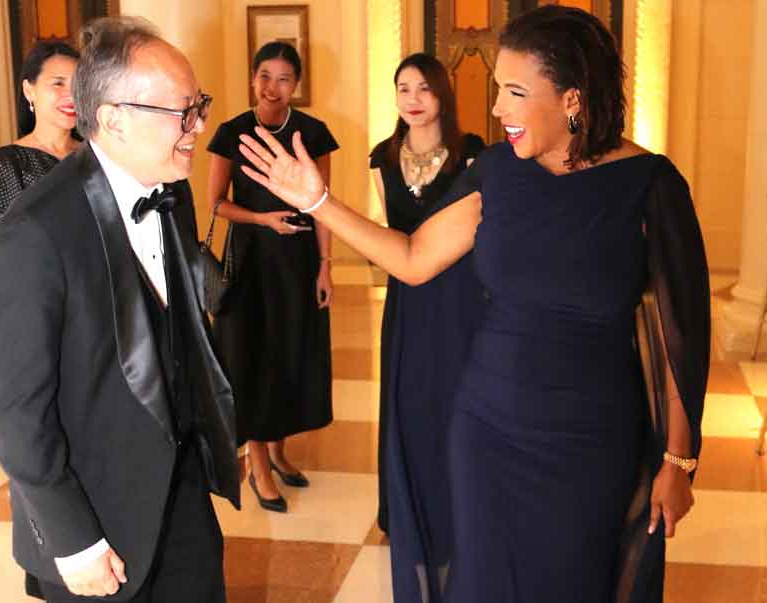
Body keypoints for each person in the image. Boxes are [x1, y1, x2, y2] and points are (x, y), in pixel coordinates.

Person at [236, 6, 709, 602]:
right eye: (497, 91)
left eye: (515, 92)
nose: (497, 110)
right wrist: (319, 201)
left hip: (593, 438)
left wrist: (679, 459)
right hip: (487, 426)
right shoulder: (496, 173)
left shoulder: (651, 185)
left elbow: (681, 336)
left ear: (572, 97)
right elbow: (411, 257)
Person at [0, 17, 242, 603]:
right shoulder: (33, 234)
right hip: (94, 522)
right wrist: (74, 541)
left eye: (199, 106)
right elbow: (16, 411)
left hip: (181, 499)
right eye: (182, 111)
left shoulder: (172, 191)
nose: (197, 126)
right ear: (113, 117)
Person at [368, 53, 485, 601]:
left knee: (456, 399)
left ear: (443, 94)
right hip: (407, 301)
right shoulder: (381, 157)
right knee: (409, 401)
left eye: (422, 88)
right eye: (402, 88)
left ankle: (461, 505)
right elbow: (388, 237)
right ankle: (406, 509)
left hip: (460, 300)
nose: (411, 98)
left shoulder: (474, 154)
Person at [205, 41, 337, 513]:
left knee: (288, 353)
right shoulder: (231, 133)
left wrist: (325, 266)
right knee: (248, 358)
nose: (272, 86)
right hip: (248, 264)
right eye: (265, 75)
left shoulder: (314, 134)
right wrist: (263, 220)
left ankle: (278, 450)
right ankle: (257, 461)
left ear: (296, 85)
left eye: (284, 78)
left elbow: (326, 209)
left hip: (297, 263)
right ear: (252, 79)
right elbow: (216, 203)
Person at [0, 40, 80, 276]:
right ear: (29, 90)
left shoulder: (97, 157)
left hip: (101, 294)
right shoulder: (9, 164)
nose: (71, 95)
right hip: (40, 295)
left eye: (79, 84)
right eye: (58, 83)